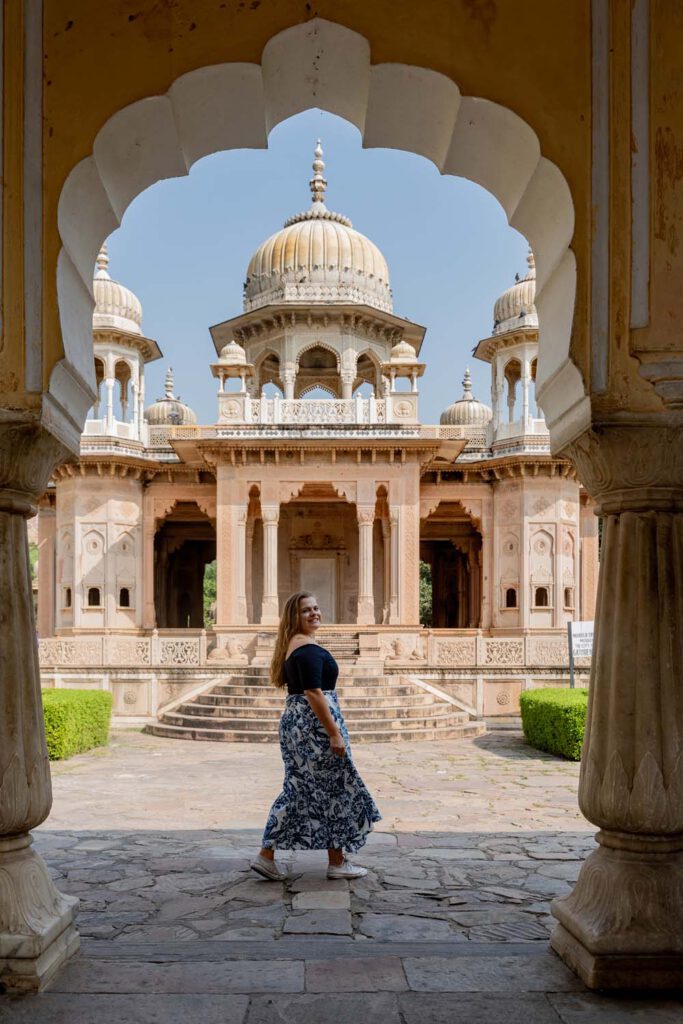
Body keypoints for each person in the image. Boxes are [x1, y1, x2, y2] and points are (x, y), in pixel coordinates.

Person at [250, 591, 381, 881]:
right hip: (313, 728)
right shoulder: (304, 648)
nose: (314, 613)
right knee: (329, 788)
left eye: (316, 608)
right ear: (294, 617)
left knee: (306, 790)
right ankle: (332, 861)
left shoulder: (298, 645)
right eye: (306, 610)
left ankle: (275, 856)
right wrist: (334, 733)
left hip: (303, 725)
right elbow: (312, 692)